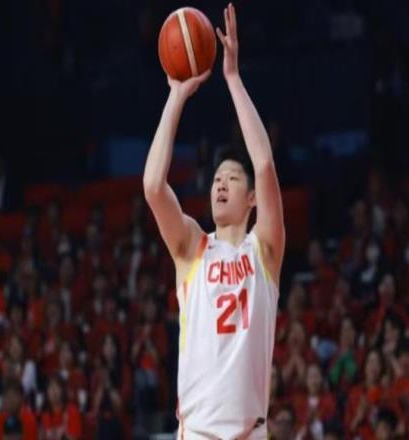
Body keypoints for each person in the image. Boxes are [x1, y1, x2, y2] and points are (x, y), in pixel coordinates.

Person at [143, 3, 285, 439]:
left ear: (252, 199)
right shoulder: (192, 248)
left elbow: (264, 164)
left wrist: (233, 79)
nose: (221, 183)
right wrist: (175, 96)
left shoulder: (264, 251)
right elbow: (153, 185)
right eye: (217, 178)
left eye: (232, 178)